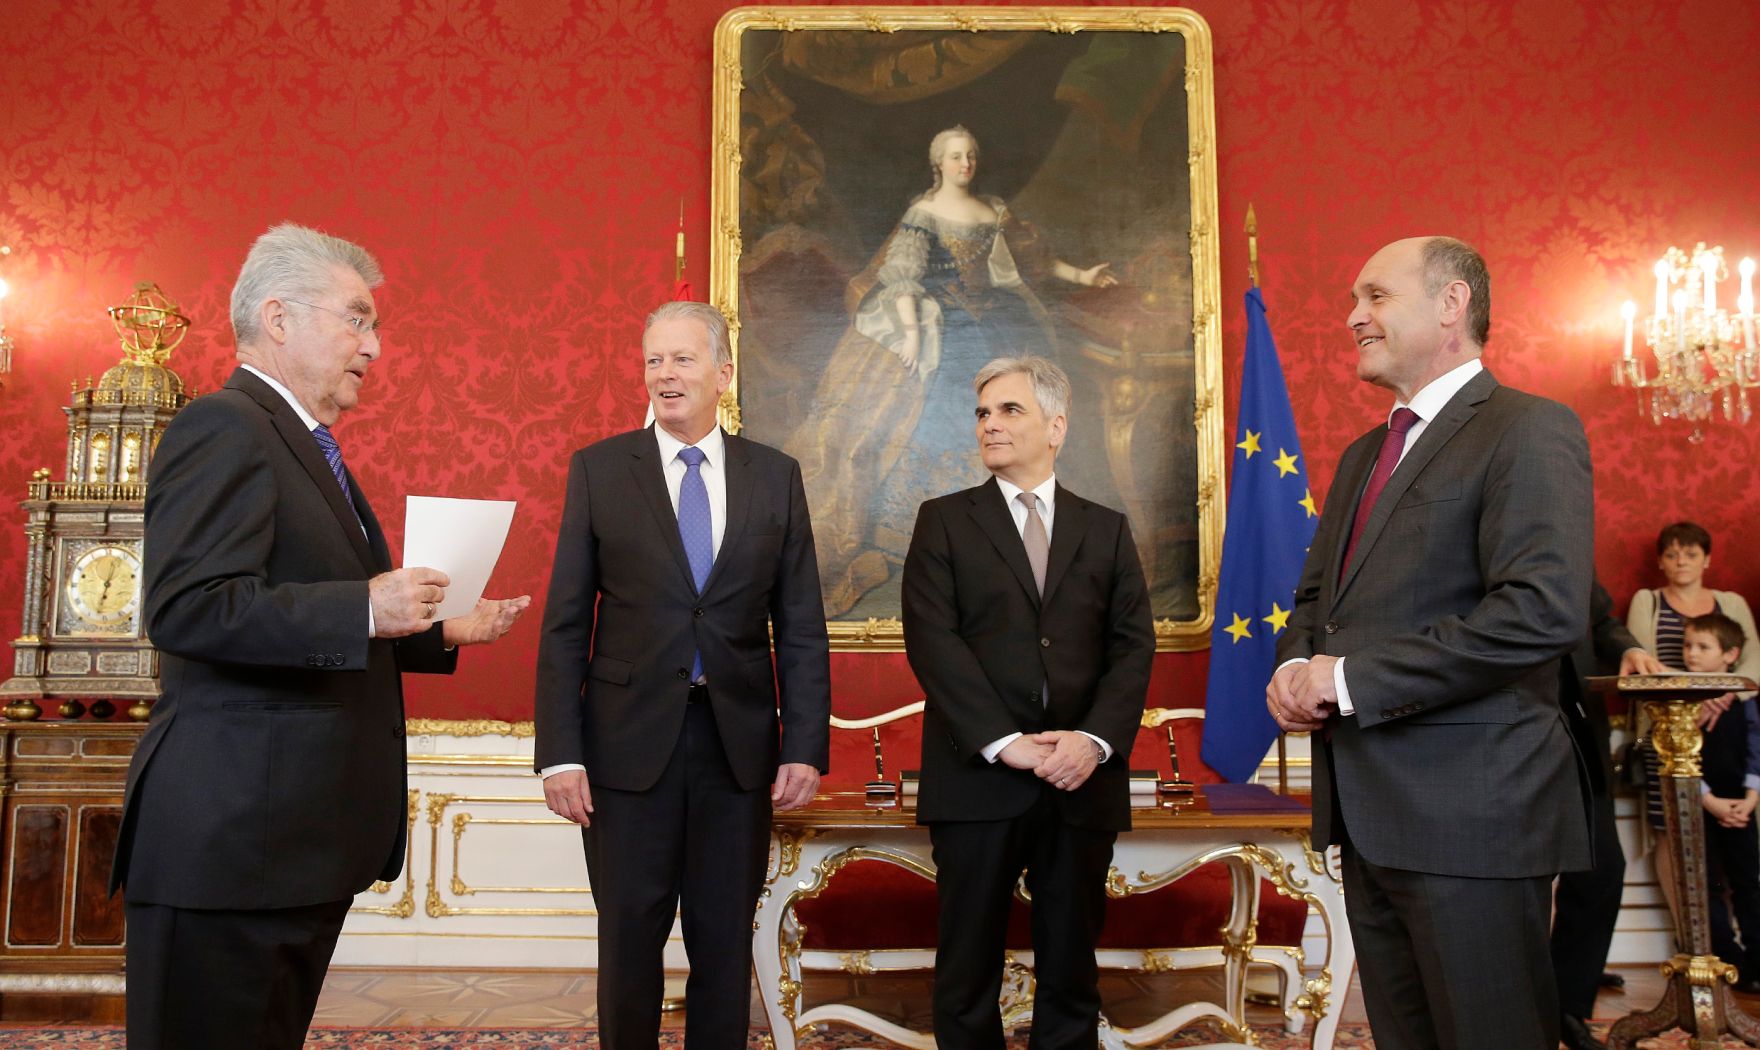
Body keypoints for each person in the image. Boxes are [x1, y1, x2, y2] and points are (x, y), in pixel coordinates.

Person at [110, 223, 531, 1050]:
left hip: (287, 847)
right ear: (278, 317)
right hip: (230, 846)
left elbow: (297, 603)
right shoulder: (223, 426)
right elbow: (189, 607)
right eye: (356, 319)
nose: (373, 346)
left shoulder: (300, 442)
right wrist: (365, 607)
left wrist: (437, 629)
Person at [1266, 236, 1594, 1050]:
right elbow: (1318, 602)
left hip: (1474, 816)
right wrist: (1296, 663)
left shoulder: (1527, 428)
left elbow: (1540, 612)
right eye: (1355, 299)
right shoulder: (1362, 456)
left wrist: (1347, 680)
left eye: (1375, 296)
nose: (1353, 316)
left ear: (1452, 304)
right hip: (1368, 813)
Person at [534, 300, 831, 1050]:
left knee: (724, 943)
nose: (665, 374)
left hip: (738, 751)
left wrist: (804, 746)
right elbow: (566, 622)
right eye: (653, 360)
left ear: (723, 374)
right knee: (628, 941)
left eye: (682, 359)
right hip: (626, 751)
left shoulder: (775, 476)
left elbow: (800, 624)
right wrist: (560, 754)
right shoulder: (601, 470)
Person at [901, 356, 1154, 1049]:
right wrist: (1004, 742)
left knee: (1071, 970)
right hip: (977, 778)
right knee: (966, 970)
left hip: (1080, 780)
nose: (990, 423)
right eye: (983, 412)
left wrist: (1092, 741)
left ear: (1056, 426)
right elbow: (933, 642)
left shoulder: (1105, 528)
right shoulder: (943, 521)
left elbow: (1133, 647)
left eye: (1009, 410)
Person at [794, 125, 1117, 616]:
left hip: (996, 319)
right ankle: (915, 530)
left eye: (970, 155)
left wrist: (1083, 275)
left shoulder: (994, 210)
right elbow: (902, 276)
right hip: (941, 323)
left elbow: (1034, 261)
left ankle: (1006, 529)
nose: (964, 163)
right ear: (938, 164)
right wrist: (912, 334)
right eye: (954, 156)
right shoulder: (924, 213)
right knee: (946, 407)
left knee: (1016, 406)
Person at [1624, 521, 1760, 927]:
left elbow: (1753, 661)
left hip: (1728, 730)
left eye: (1690, 553)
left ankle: (1731, 943)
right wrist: (1693, 697)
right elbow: (1642, 664)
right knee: (1673, 829)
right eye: (1671, 554)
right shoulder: (1648, 601)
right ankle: (1690, 935)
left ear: (1707, 560)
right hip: (1665, 730)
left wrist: (1724, 695)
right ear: (1660, 562)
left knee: (1732, 832)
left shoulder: (1730, 602)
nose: (1680, 561)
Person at [1552, 581, 1664, 1050]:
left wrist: (1629, 649)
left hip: (1579, 730)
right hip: (1501, 731)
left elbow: (1600, 622)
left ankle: (1567, 1007)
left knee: (1601, 871)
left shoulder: (1571, 547)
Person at [1679, 612, 1760, 993]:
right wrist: (1708, 800)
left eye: (1702, 646)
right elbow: (1679, 756)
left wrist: (1750, 799)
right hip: (1700, 805)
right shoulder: (1680, 700)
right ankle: (1726, 959)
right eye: (1687, 645)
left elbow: (1755, 749)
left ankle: (1757, 961)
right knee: (1705, 882)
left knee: (1748, 882)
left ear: (1730, 655)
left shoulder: (1745, 699)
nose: (1691, 653)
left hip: (1741, 805)